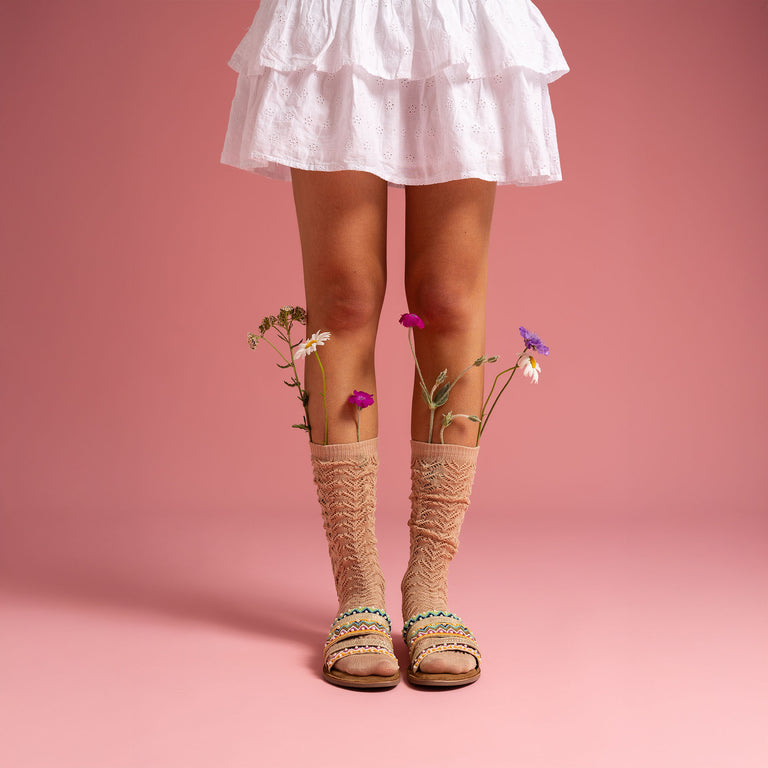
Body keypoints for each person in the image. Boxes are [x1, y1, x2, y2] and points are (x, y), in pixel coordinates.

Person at [221, 0, 568, 689]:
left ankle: (429, 585)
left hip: (457, 19)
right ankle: (358, 587)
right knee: (344, 299)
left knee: (447, 300)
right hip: (339, 20)